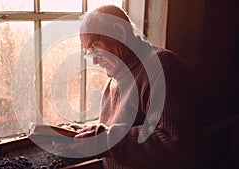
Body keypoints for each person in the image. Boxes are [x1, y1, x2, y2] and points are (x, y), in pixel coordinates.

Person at [58, 5, 202, 169]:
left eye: (95, 47)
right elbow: (117, 130)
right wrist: (81, 134)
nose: (95, 61)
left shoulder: (161, 67)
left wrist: (103, 141)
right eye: (89, 53)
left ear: (120, 32)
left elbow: (179, 145)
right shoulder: (117, 75)